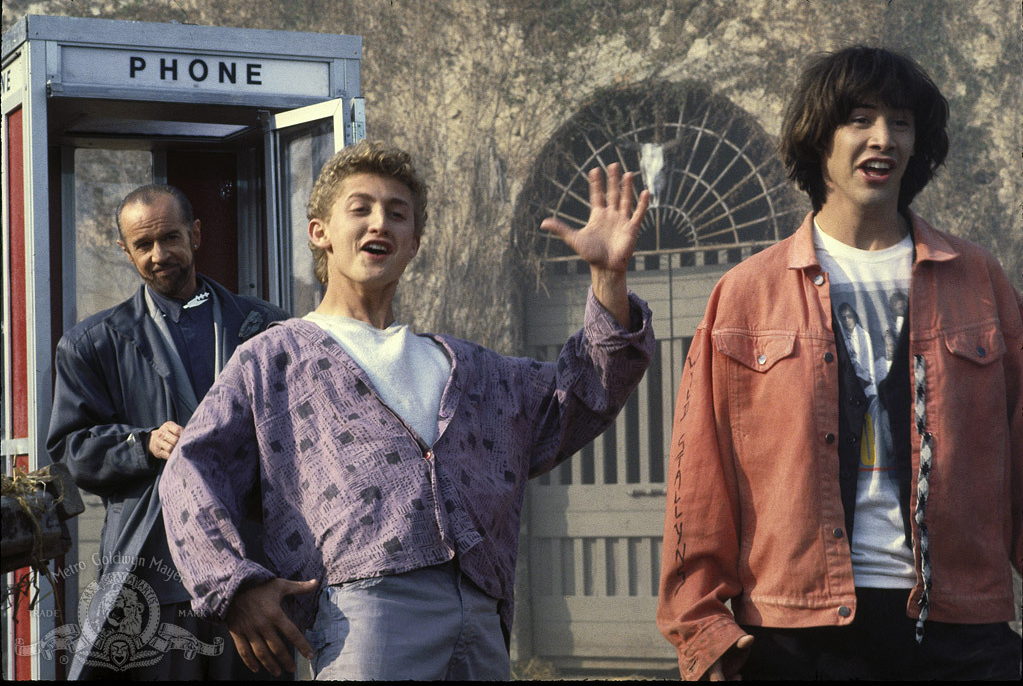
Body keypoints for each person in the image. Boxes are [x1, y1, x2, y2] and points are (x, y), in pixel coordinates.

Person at [158, 140, 654, 680]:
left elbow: (581, 397)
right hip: (364, 616)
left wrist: (609, 280)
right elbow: (189, 470)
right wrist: (233, 586)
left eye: (398, 214)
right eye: (361, 209)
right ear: (319, 232)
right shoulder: (275, 358)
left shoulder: (467, 366)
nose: (380, 224)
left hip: (482, 614)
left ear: (414, 242)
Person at [657, 46, 1021, 681]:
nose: (884, 138)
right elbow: (699, 474)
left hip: (959, 629)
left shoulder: (979, 281)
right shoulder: (746, 294)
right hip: (797, 635)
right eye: (860, 118)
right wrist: (703, 628)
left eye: (901, 122)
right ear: (817, 139)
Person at [47, 184, 289, 679]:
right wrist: (141, 444)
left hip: (252, 571)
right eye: (143, 245)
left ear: (196, 234)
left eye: (171, 238)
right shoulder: (91, 344)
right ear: (124, 250)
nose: (160, 256)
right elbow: (68, 452)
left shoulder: (265, 326)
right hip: (155, 574)